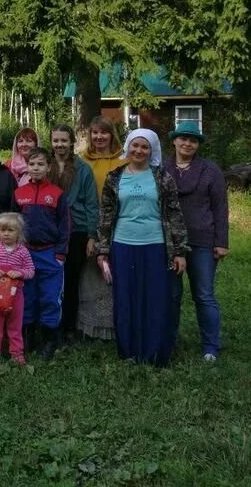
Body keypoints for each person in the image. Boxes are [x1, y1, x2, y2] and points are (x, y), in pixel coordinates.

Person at [96, 129, 188, 367]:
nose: (138, 151)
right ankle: (129, 351)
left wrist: (179, 251)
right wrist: (103, 249)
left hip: (156, 245)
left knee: (156, 298)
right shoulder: (114, 177)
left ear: (152, 150)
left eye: (144, 147)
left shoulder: (162, 177)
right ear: (127, 147)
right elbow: (105, 215)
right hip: (123, 245)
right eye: (135, 145)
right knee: (125, 298)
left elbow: (174, 213)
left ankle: (154, 352)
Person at [164, 121, 228, 361]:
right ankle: (168, 341)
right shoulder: (162, 168)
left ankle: (211, 346)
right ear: (174, 141)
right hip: (169, 242)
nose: (187, 143)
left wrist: (221, 241)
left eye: (193, 140)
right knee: (171, 295)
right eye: (183, 138)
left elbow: (220, 208)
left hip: (202, 240)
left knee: (203, 294)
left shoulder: (211, 171)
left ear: (198, 144)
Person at [15, 148, 70, 360]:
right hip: (26, 253)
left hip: (50, 254)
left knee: (49, 297)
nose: (35, 168)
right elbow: (12, 223)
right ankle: (27, 338)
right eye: (32, 164)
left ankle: (49, 340)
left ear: (49, 167)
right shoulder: (19, 194)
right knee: (27, 296)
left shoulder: (57, 194)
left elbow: (65, 226)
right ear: (27, 167)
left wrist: (60, 254)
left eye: (40, 165)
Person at [49, 124, 99, 342]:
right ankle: (50, 326)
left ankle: (69, 327)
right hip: (49, 232)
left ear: (71, 142)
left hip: (76, 231)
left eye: (63, 140)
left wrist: (91, 235)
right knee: (51, 280)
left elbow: (91, 204)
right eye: (56, 140)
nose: (60, 144)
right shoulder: (44, 165)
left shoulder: (83, 169)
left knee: (71, 281)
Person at [77, 116, 126, 341]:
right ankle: (90, 325)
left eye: (103, 133)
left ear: (111, 135)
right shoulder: (81, 162)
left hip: (118, 223)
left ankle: (114, 325)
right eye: (95, 133)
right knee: (91, 275)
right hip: (90, 222)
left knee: (113, 273)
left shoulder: (123, 162)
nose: (99, 137)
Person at [0, 212, 35, 369]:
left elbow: (31, 270)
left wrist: (20, 273)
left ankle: (17, 354)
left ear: (19, 232)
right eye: (3, 230)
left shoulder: (23, 251)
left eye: (10, 230)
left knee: (15, 326)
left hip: (16, 295)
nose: (6, 234)